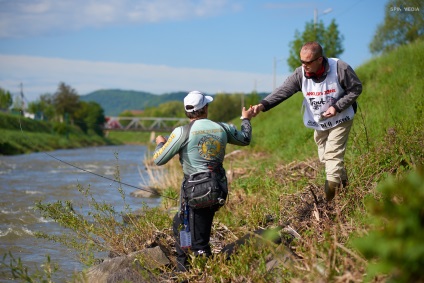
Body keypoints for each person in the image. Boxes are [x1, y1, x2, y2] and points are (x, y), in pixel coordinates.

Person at [153, 90, 253, 271]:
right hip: (217, 188)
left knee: (198, 240)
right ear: (205, 108)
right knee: (181, 224)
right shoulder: (222, 127)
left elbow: (158, 159)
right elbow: (245, 139)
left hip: (195, 191)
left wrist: (160, 143)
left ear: (187, 112)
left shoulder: (181, 132)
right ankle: (186, 267)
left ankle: (194, 271)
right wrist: (246, 119)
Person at [251, 41, 362, 201]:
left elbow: (356, 88)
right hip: (320, 121)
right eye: (302, 61)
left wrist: (337, 107)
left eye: (308, 62)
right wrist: (262, 105)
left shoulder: (340, 68)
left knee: (332, 156)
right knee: (325, 158)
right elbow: (283, 91)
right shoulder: (300, 74)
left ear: (319, 60)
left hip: (341, 117)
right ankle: (345, 189)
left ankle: (330, 203)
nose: (304, 65)